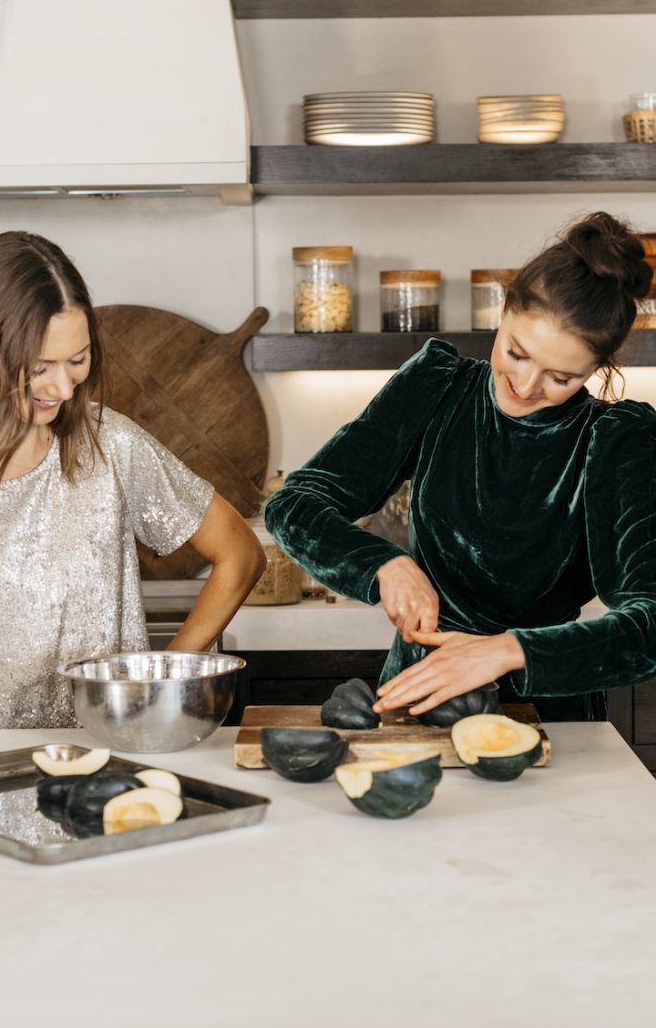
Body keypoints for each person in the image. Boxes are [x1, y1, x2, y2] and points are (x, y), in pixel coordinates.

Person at [0, 231, 265, 773]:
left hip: (104, 772)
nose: (63, 389)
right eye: (39, 367)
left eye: (78, 360)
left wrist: (163, 677)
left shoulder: (112, 447)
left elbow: (240, 554)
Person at [265, 212, 655, 723]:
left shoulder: (616, 440)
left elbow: (648, 623)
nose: (526, 384)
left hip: (552, 717)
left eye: (560, 377)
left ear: (596, 370)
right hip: (414, 699)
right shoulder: (437, 387)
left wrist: (507, 651)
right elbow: (294, 506)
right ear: (505, 309)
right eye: (516, 352)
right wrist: (384, 564)